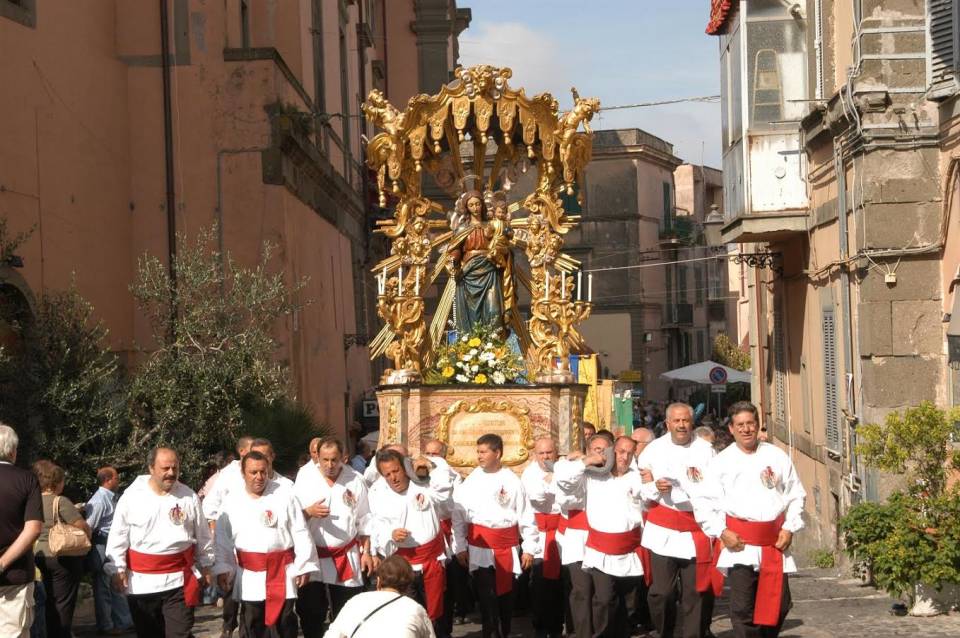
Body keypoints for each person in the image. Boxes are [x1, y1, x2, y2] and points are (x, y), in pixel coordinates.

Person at [703, 402, 806, 638]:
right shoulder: (721, 462)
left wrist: (790, 528)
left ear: (758, 425)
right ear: (731, 428)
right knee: (743, 609)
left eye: (751, 423)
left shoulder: (776, 455)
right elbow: (706, 502)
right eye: (740, 425)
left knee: (779, 605)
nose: (746, 429)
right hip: (741, 544)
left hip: (773, 543)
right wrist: (721, 531)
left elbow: (796, 494)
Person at [106, 447, 215, 638]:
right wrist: (117, 568)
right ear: (151, 468)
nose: (171, 473)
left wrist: (206, 565)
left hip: (179, 581)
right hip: (142, 583)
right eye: (165, 468)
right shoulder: (131, 498)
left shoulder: (188, 497)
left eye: (175, 468)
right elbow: (118, 535)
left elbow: (203, 535)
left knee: (179, 632)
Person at [213, 451, 319, 638]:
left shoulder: (285, 495)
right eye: (253, 472)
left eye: (263, 471)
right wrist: (223, 567)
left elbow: (300, 531)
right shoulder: (231, 501)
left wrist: (304, 565)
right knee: (252, 623)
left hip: (282, 571)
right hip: (250, 576)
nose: (259, 477)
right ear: (243, 473)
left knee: (284, 623)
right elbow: (222, 539)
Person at [636, 403, 719, 638]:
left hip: (696, 529)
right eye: (677, 421)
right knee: (661, 593)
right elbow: (642, 490)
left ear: (692, 422)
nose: (681, 425)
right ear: (668, 423)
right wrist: (654, 486)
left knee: (696, 593)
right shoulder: (653, 450)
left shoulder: (706, 450)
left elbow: (716, 487)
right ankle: (664, 632)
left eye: (685, 421)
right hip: (664, 531)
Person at [554, 435, 646, 638]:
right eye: (597, 450)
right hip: (592, 544)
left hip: (627, 549)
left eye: (605, 450)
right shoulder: (587, 474)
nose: (601, 455)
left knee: (624, 601)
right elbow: (563, 485)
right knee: (592, 595)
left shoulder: (635, 475)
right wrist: (584, 461)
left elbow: (646, 498)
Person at [452, 434, 538, 638]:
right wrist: (460, 547)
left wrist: (529, 548)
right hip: (480, 548)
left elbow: (525, 515)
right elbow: (458, 515)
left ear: (497, 453)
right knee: (487, 598)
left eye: (483, 452)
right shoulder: (472, 480)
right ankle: (491, 633)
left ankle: (504, 632)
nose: (479, 456)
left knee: (506, 599)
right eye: (478, 452)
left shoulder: (512, 481)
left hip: (506, 547)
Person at [294, 437, 374, 638]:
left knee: (347, 611)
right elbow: (292, 517)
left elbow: (365, 519)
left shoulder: (355, 480)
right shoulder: (305, 478)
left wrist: (367, 551)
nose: (330, 465)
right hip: (313, 556)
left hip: (345, 554)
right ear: (317, 458)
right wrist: (308, 511)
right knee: (311, 612)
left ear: (343, 458)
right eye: (325, 460)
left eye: (334, 460)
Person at [367, 449, 453, 637]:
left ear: (405, 468)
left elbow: (445, 492)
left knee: (437, 615)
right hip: (403, 565)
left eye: (396, 471)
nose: (393, 478)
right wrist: (391, 534)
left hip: (431, 559)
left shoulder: (423, 485)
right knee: (409, 615)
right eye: (387, 474)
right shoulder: (378, 494)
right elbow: (375, 526)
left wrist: (431, 465)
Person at [32, 460, 91, 638]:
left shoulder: (32, 500)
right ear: (56, 482)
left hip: (39, 555)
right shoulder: (60, 501)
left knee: (48, 600)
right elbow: (82, 526)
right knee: (63, 603)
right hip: (62, 557)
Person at [446, 190, 516, 336]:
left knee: (494, 310)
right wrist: (453, 263)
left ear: (482, 205)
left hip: (490, 271)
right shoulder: (462, 229)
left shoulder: (491, 226)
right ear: (467, 208)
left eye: (477, 204)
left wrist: (503, 251)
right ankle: (471, 347)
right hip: (469, 274)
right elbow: (455, 249)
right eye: (471, 205)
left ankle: (495, 346)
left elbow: (503, 244)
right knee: (471, 315)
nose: (475, 208)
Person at [203, 436, 254, 638]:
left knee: (252, 592)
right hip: (231, 539)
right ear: (241, 451)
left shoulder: (265, 472)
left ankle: (247, 629)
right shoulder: (228, 475)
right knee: (231, 588)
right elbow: (210, 505)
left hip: (255, 541)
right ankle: (228, 625)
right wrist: (217, 527)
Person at [322, 555, 434, 638]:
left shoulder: (356, 601)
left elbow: (332, 635)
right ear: (408, 585)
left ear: (378, 581)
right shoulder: (416, 609)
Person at [422, 439, 470, 629]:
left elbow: (455, 505)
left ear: (443, 456)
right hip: (428, 530)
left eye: (435, 454)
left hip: (448, 528)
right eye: (428, 454)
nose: (432, 458)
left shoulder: (453, 476)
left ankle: (456, 612)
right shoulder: (419, 474)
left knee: (453, 577)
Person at [0, 424, 43, 638]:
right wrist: (2, 562)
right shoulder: (26, 479)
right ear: (12, 451)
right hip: (14, 575)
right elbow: (33, 528)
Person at [520, 437, 565, 638]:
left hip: (562, 531)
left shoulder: (563, 468)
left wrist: (555, 480)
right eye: (542, 453)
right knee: (539, 583)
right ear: (535, 454)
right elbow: (537, 498)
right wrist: (553, 484)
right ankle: (540, 625)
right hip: (538, 532)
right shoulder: (529, 473)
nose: (546, 457)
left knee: (560, 582)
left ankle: (558, 624)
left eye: (549, 453)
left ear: (556, 453)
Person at [85, 466, 134, 635]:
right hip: (102, 544)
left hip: (111, 543)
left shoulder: (111, 498)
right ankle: (106, 625)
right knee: (103, 585)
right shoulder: (99, 501)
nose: (118, 481)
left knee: (116, 581)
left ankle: (123, 621)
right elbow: (89, 526)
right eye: (116, 478)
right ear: (108, 480)